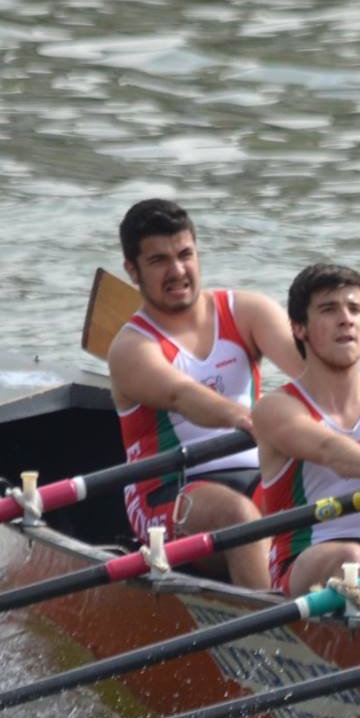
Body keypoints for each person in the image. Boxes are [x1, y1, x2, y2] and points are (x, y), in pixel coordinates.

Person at [107, 198, 302, 589]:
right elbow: (183, 396)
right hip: (165, 495)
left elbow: (310, 375)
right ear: (133, 271)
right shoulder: (131, 349)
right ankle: (274, 633)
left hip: (254, 473)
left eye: (185, 254)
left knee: (330, 491)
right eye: (159, 260)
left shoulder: (249, 311)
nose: (177, 271)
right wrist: (246, 419)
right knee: (239, 516)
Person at [251, 264, 360, 616]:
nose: (346, 319)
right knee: (350, 561)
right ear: (299, 328)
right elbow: (333, 452)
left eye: (355, 309)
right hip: (304, 561)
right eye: (329, 309)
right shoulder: (276, 408)